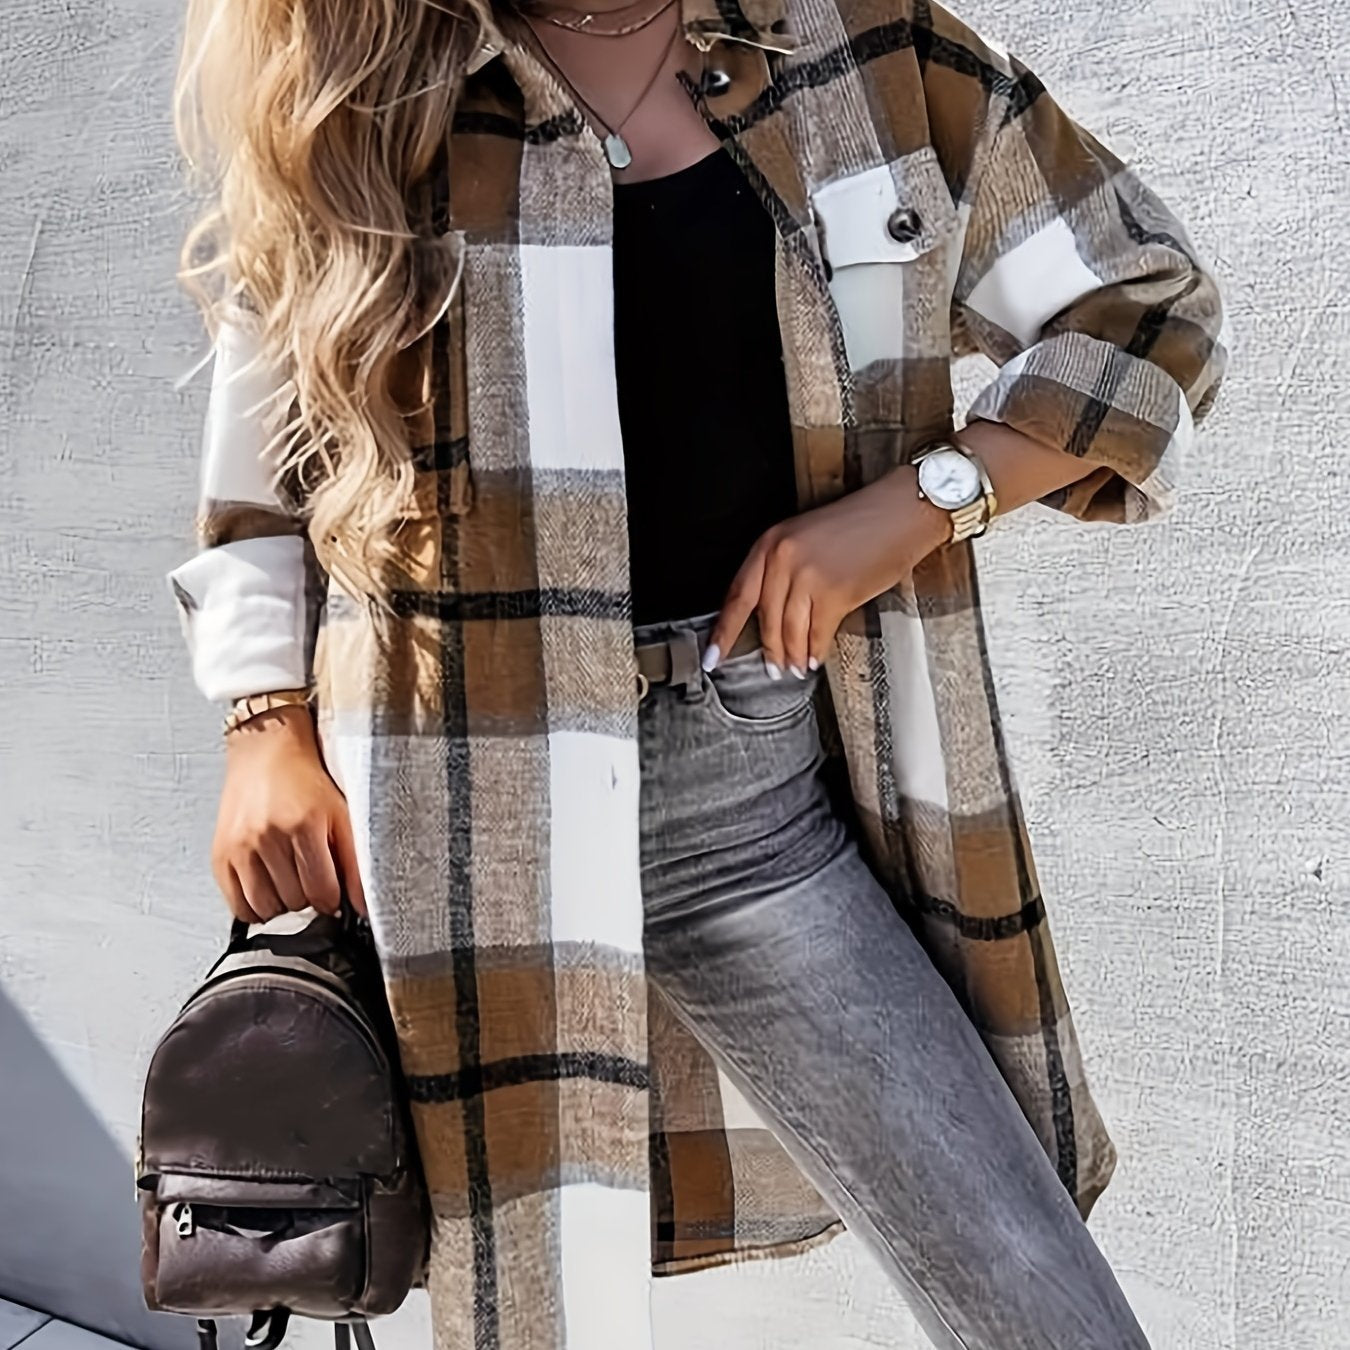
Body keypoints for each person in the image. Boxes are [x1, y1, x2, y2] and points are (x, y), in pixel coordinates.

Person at [165, 0, 1228, 1346]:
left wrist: (920, 502)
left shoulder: (862, 48)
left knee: (1036, 1297)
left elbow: (1145, 303)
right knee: (533, 1311)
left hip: (746, 798)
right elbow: (266, 466)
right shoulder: (363, 83)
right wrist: (263, 725)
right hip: (459, 818)